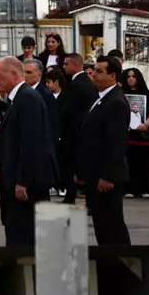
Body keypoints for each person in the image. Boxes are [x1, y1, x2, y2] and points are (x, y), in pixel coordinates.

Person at [0, 57, 56, 246]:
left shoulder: (27, 98)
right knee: (16, 233)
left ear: (13, 74)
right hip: (14, 180)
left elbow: (32, 144)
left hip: (27, 187)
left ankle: (26, 274)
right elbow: (13, 144)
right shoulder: (18, 98)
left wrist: (23, 181)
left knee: (24, 239)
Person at [77, 55, 131, 245]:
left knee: (112, 228)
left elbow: (116, 143)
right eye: (93, 70)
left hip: (107, 177)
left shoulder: (115, 101)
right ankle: (110, 267)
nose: (93, 74)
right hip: (94, 174)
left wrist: (108, 175)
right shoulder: (100, 98)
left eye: (99, 71)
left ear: (113, 77)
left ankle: (123, 267)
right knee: (102, 227)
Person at [57, 52, 98, 204]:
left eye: (66, 64)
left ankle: (72, 196)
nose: (63, 66)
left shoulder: (78, 84)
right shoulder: (82, 82)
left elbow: (68, 111)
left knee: (72, 166)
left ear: (75, 65)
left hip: (74, 134)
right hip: (78, 133)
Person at [124, 68, 149, 198]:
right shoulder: (121, 93)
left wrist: (146, 124)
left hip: (144, 135)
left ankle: (145, 188)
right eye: (128, 76)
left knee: (145, 162)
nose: (131, 79)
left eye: (133, 76)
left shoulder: (148, 94)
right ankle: (130, 188)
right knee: (130, 162)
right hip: (128, 134)